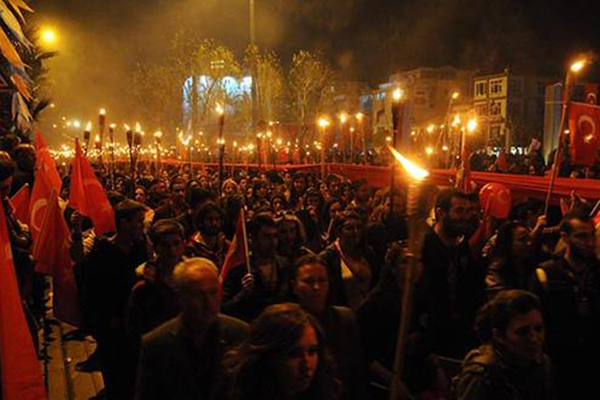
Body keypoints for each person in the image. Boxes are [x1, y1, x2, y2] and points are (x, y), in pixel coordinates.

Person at [135, 258, 249, 400]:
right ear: (180, 297)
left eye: (213, 292)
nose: (208, 303)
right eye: (198, 295)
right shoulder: (156, 344)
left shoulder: (240, 334)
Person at [529, 210, 600, 399]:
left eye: (592, 235)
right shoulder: (546, 274)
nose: (589, 242)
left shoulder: (597, 273)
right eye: (581, 236)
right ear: (565, 238)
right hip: (558, 365)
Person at [86, 199, 149, 399]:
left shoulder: (139, 246)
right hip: (111, 328)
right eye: (139, 221)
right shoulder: (103, 251)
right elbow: (94, 291)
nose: (142, 226)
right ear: (123, 223)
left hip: (134, 324)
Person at [223, 303, 341, 400]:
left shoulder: (322, 390)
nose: (306, 364)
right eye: (294, 354)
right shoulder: (241, 391)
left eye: (312, 351)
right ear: (271, 354)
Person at [418, 188, 485, 358]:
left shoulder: (461, 247)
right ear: (441, 213)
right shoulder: (423, 247)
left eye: (468, 211)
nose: (466, 217)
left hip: (461, 332)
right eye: (459, 211)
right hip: (431, 335)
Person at [452, 290, 555, 400]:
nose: (534, 339)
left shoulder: (541, 363)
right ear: (499, 336)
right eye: (522, 332)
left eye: (538, 329)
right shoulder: (482, 377)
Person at [292, 255, 367, 400]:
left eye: (322, 281)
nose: (316, 287)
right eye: (309, 281)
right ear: (294, 286)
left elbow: (357, 372)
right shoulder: (288, 326)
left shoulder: (344, 319)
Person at [222, 213, 291, 321]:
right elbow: (224, 308)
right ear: (253, 239)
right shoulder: (239, 269)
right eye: (266, 237)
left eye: (275, 236)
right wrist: (242, 294)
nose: (273, 242)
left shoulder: (284, 265)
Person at [127, 219, 185, 339]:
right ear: (155, 248)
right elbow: (135, 329)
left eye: (176, 243)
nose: (172, 250)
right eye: (165, 245)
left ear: (183, 244)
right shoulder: (144, 285)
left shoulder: (194, 275)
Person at [320, 211, 372, 311]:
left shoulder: (367, 252)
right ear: (339, 231)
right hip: (342, 311)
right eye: (349, 228)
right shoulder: (328, 256)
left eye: (358, 227)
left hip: (366, 309)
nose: (355, 232)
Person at [485, 221, 537, 299]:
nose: (529, 243)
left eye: (529, 238)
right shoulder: (495, 272)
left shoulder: (528, 264)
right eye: (522, 240)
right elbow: (500, 301)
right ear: (507, 243)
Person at [186, 201, 230, 269]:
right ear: (201, 221)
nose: (214, 223)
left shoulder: (226, 246)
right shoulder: (192, 249)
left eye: (217, 219)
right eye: (209, 219)